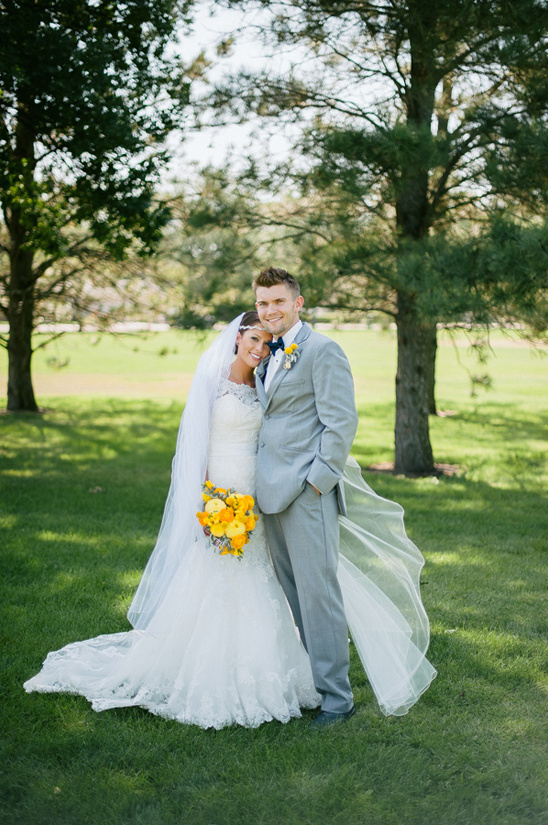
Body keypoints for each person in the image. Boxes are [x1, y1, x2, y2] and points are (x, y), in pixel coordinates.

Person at [24, 312, 322, 729]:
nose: (259, 349)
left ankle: (268, 666)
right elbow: (194, 446)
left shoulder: (263, 382)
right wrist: (208, 502)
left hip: (255, 495)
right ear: (238, 337)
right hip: (219, 492)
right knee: (218, 575)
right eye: (254, 339)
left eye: (267, 343)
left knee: (261, 573)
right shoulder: (212, 382)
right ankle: (206, 669)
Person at [253, 266, 437, 727]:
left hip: (306, 493)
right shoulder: (265, 351)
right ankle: (314, 684)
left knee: (320, 598)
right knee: (294, 597)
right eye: (262, 302)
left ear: (298, 304)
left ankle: (338, 699)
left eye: (277, 301)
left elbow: (340, 424)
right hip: (267, 494)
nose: (269, 310)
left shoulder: (322, 350)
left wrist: (318, 483)